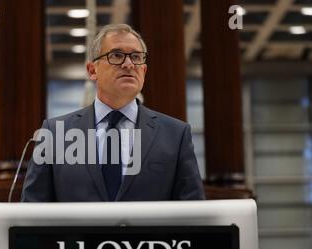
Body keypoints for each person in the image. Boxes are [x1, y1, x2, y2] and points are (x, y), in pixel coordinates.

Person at [21, 24, 205, 202]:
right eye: (116, 55)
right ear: (92, 70)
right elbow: (32, 208)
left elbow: (193, 210)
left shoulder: (175, 134)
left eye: (136, 57)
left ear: (144, 70)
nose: (128, 64)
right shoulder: (55, 133)